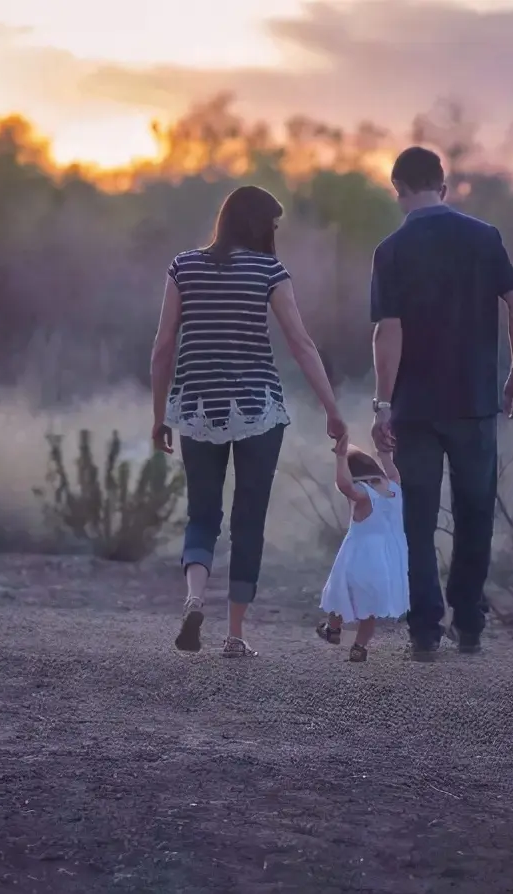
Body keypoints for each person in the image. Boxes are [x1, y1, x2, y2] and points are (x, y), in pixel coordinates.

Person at [150, 185, 347, 657]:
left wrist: (160, 416)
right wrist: (333, 410)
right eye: (273, 225)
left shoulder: (184, 266)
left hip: (197, 408)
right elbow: (301, 344)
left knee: (202, 513)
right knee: (248, 520)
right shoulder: (269, 271)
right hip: (258, 409)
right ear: (259, 224)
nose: (275, 234)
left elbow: (162, 347)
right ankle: (235, 635)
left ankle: (195, 598)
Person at [368, 147, 513, 658]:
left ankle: (424, 632)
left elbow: (388, 331)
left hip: (415, 407)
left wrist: (381, 405)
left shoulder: (391, 249)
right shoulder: (484, 238)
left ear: (398, 190)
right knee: (475, 511)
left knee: (417, 518)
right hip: (475, 401)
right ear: (444, 185)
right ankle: (469, 624)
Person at [316, 443, 409, 662]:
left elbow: (343, 485)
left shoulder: (363, 494)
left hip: (359, 554)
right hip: (386, 556)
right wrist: (384, 454)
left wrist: (340, 458)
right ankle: (359, 647)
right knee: (369, 607)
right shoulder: (393, 487)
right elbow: (393, 472)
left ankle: (333, 628)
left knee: (341, 591)